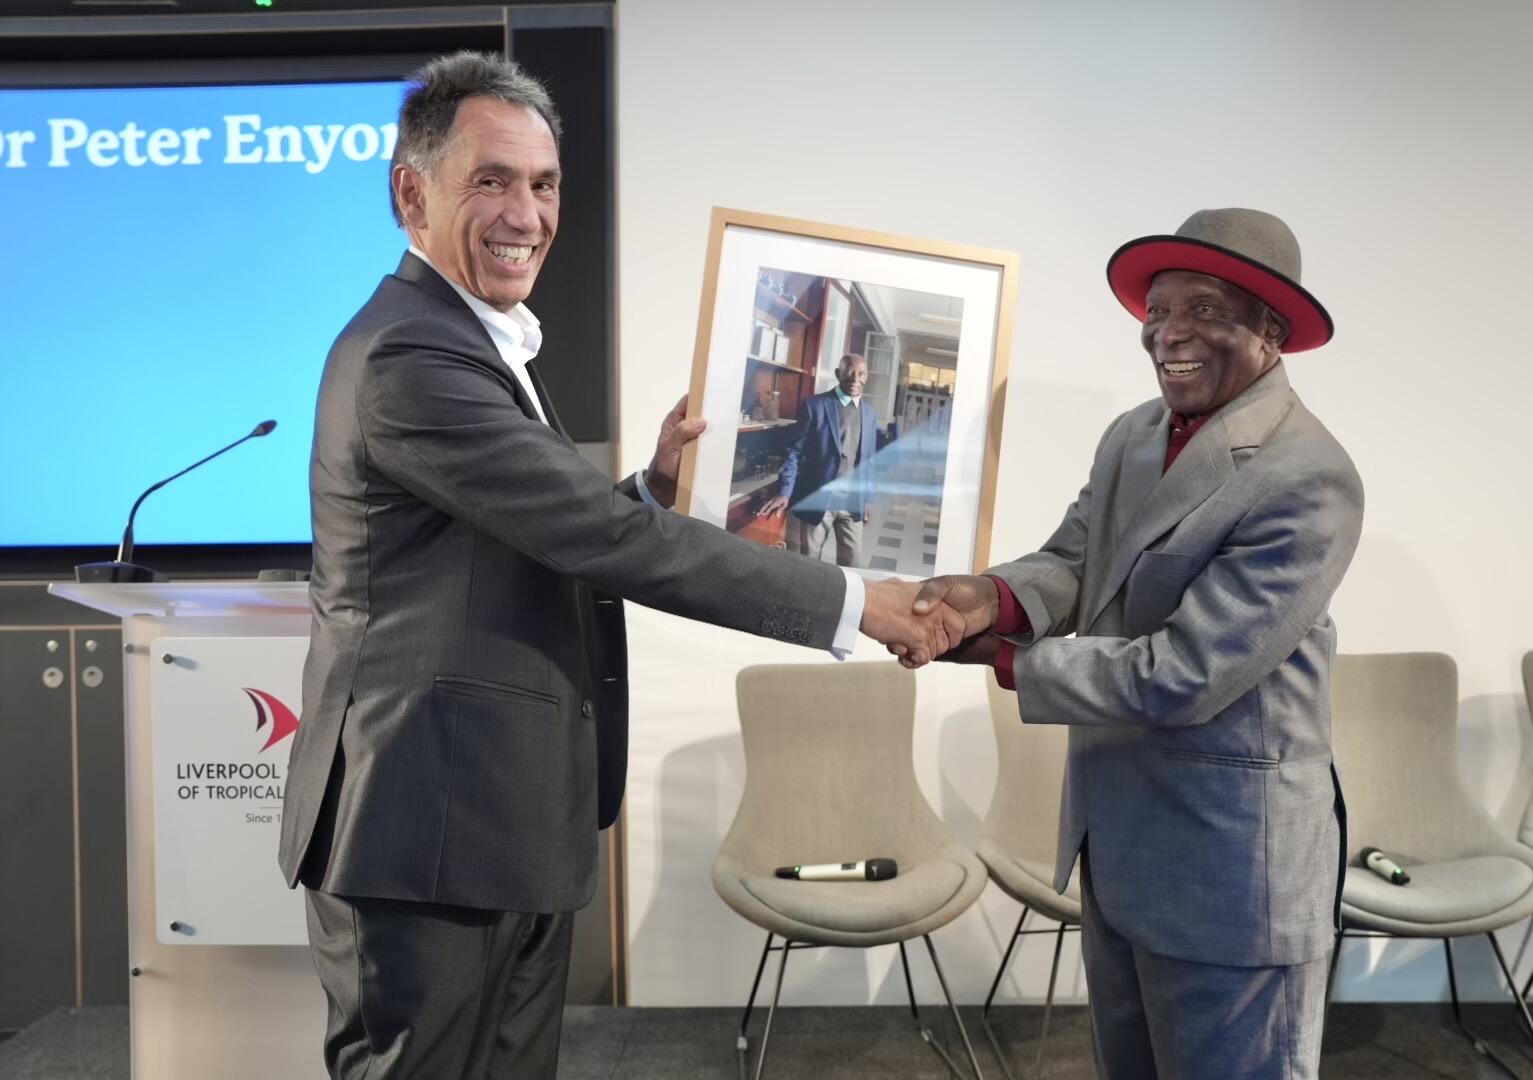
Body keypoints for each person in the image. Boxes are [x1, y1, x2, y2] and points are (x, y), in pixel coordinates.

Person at [277, 52, 959, 1080]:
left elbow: (546, 531)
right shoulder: (409, 356)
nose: (526, 214)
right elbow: (601, 542)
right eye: (493, 180)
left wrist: (647, 485)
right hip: (421, 825)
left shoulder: (480, 340)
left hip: (495, 815)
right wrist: (860, 601)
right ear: (410, 194)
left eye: (543, 185)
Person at [909, 208, 1363, 1079]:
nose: (1167, 334)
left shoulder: (1309, 475)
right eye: (1158, 309)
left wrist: (1003, 656)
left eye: (1203, 308)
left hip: (1233, 874)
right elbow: (1077, 561)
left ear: (1271, 331)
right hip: (1121, 846)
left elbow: (1185, 675)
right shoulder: (1132, 435)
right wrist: (988, 597)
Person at [758, 352, 881, 566]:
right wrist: (785, 492)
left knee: (852, 566)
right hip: (818, 499)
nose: (855, 378)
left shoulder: (870, 414)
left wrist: (867, 499)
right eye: (849, 372)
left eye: (861, 373)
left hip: (852, 502)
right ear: (838, 373)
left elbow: (868, 460)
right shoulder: (815, 406)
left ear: (867, 377)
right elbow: (793, 451)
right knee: (810, 565)